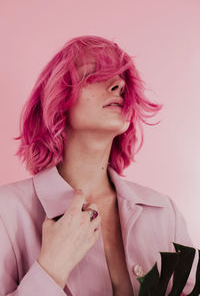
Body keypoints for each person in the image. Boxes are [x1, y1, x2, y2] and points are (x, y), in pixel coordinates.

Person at [0, 35, 197, 296]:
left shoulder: (163, 212)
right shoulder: (8, 211)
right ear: (58, 98)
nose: (119, 84)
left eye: (121, 78)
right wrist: (51, 268)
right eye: (94, 74)